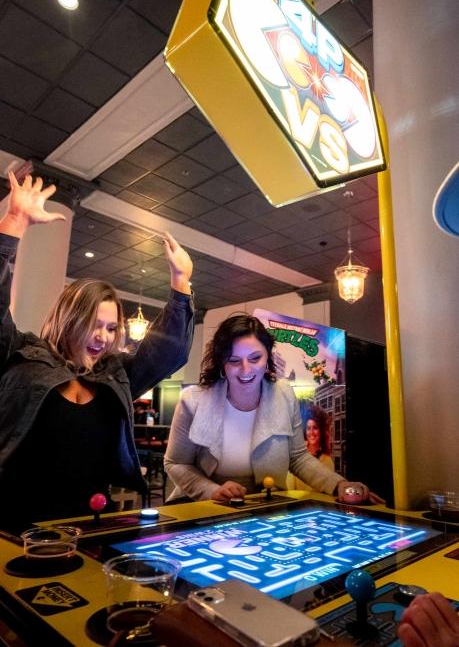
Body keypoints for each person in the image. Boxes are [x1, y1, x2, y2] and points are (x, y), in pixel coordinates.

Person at [0, 172, 194, 526]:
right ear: (69, 318)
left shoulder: (113, 373)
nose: (103, 337)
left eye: (111, 328)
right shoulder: (21, 353)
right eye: (94, 324)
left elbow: (169, 353)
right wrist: (13, 224)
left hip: (87, 525)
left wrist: (181, 285)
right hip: (14, 525)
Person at [164, 314, 383, 503]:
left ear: (268, 357)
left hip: (265, 506)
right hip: (202, 507)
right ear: (222, 362)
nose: (246, 369)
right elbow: (175, 463)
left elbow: (298, 458)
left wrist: (339, 485)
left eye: (255, 358)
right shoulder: (192, 400)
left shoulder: (283, 393)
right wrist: (211, 491)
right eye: (234, 360)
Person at [286, 403, 334, 491]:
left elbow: (328, 491)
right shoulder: (297, 457)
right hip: (296, 503)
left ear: (321, 431)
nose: (311, 432)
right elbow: (289, 488)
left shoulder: (327, 460)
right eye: (308, 428)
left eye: (315, 428)